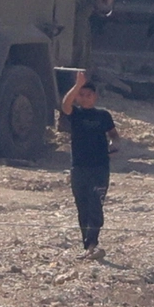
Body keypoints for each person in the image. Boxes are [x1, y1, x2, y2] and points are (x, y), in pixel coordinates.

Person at [60, 71, 119, 260]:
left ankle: (93, 242)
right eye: (82, 95)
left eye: (89, 95)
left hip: (100, 167)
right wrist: (77, 85)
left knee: (96, 204)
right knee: (82, 206)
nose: (85, 99)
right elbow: (65, 105)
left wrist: (115, 144)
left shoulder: (103, 115)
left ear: (95, 97)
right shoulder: (75, 114)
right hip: (79, 167)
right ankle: (87, 245)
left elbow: (114, 135)